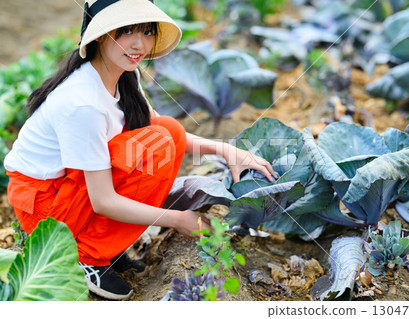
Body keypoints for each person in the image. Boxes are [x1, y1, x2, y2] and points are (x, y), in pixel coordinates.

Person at [4, 0, 277, 300]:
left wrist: (228, 150)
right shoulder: (82, 103)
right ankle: (85, 256)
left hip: (73, 189)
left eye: (147, 32)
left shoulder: (123, 76)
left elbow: (167, 134)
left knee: (167, 132)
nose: (139, 43)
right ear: (99, 36)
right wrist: (177, 219)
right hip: (45, 204)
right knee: (159, 142)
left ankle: (104, 243)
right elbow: (103, 201)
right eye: (127, 31)